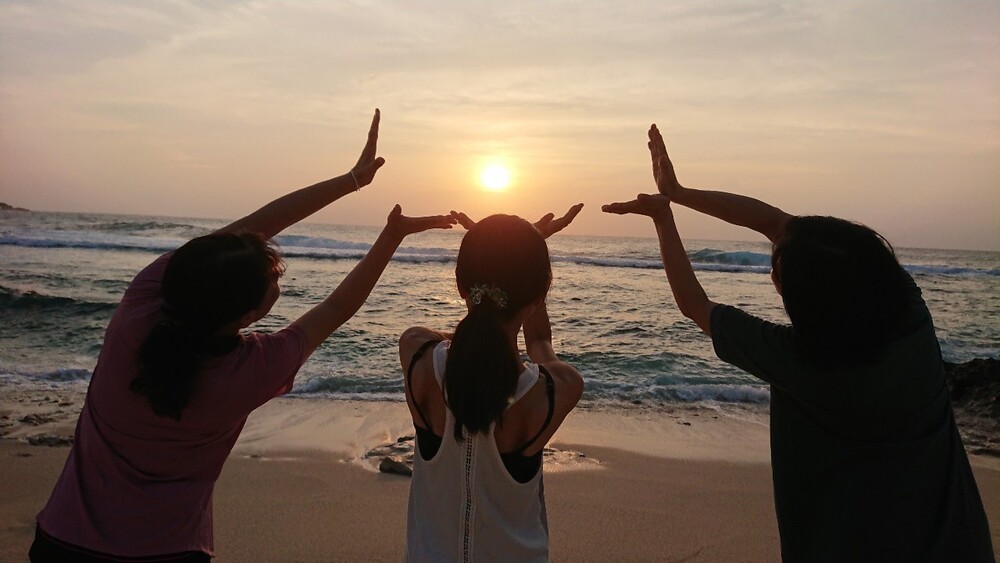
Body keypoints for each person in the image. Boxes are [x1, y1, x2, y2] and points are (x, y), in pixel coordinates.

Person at [30, 110, 457, 562]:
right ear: (251, 315)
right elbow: (335, 308)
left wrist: (352, 180)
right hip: (169, 552)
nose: (279, 279)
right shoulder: (249, 371)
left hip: (63, 540)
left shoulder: (142, 304)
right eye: (273, 280)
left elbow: (256, 224)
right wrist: (390, 235)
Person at [603, 124, 994, 562]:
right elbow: (778, 225)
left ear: (806, 301)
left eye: (777, 270)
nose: (771, 273)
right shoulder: (910, 317)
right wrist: (678, 192)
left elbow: (695, 304)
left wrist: (665, 214)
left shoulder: (799, 361)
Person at [399, 205, 585, 562]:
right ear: (538, 298)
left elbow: (463, 337)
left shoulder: (417, 356)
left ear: (460, 285)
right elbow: (539, 343)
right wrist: (531, 255)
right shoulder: (555, 391)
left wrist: (489, 309)